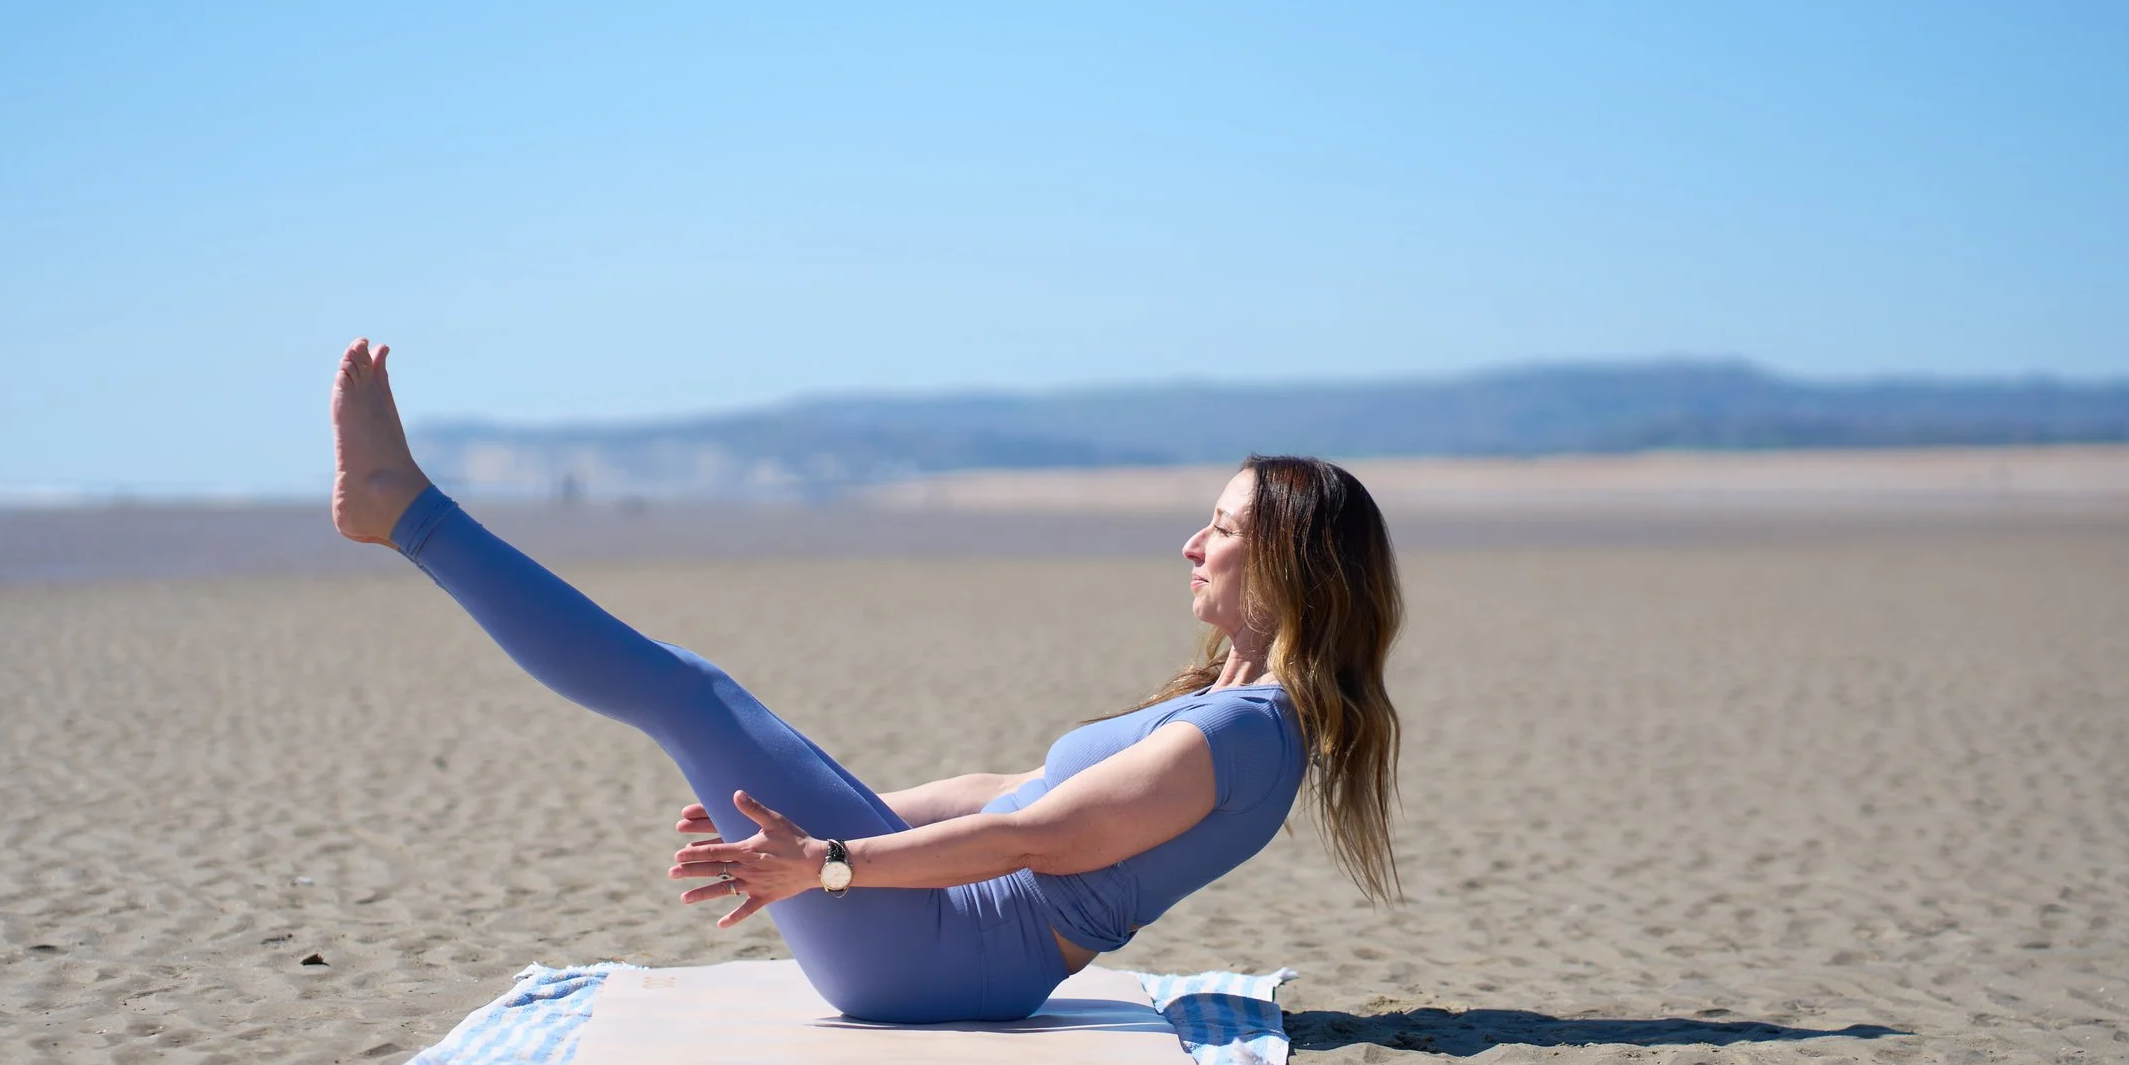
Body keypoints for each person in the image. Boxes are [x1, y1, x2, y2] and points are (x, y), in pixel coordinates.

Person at [331, 338, 1404, 1024]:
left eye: (1218, 529)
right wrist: (838, 833)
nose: (1189, 544)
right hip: (929, 935)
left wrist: (831, 863)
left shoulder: (1253, 733)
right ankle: (402, 507)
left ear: (1286, 567)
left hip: (936, 958)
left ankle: (405, 512)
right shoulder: (1223, 706)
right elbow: (1006, 790)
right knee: (694, 698)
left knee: (689, 693)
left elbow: (1039, 844)